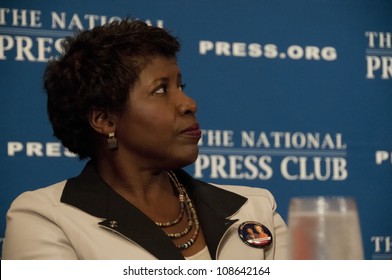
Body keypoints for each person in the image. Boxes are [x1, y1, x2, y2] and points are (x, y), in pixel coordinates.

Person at [2, 19, 288, 260]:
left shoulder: (255, 208)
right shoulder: (45, 218)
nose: (189, 103)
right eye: (161, 90)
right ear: (105, 120)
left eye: (181, 86)